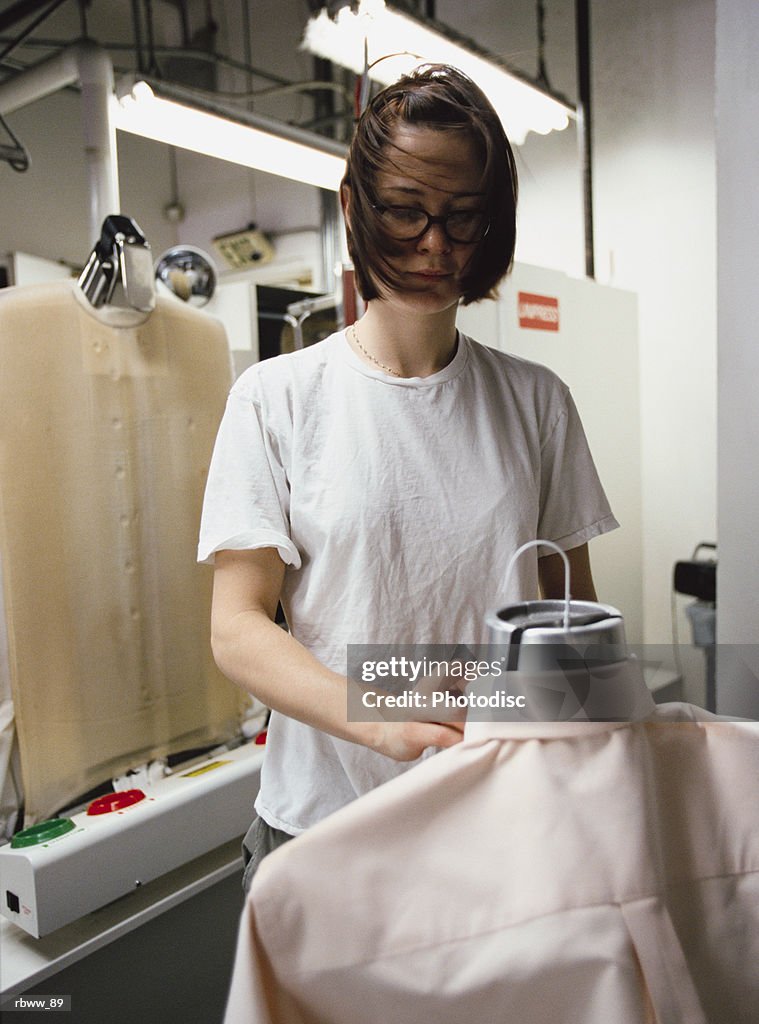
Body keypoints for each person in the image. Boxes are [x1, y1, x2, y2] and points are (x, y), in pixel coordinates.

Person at [197, 64, 618, 890]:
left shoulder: (536, 402)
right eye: (405, 211)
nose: (435, 244)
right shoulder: (277, 399)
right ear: (354, 208)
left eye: (463, 217)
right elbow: (238, 628)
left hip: (497, 821)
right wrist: (383, 717)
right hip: (328, 828)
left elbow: (570, 620)